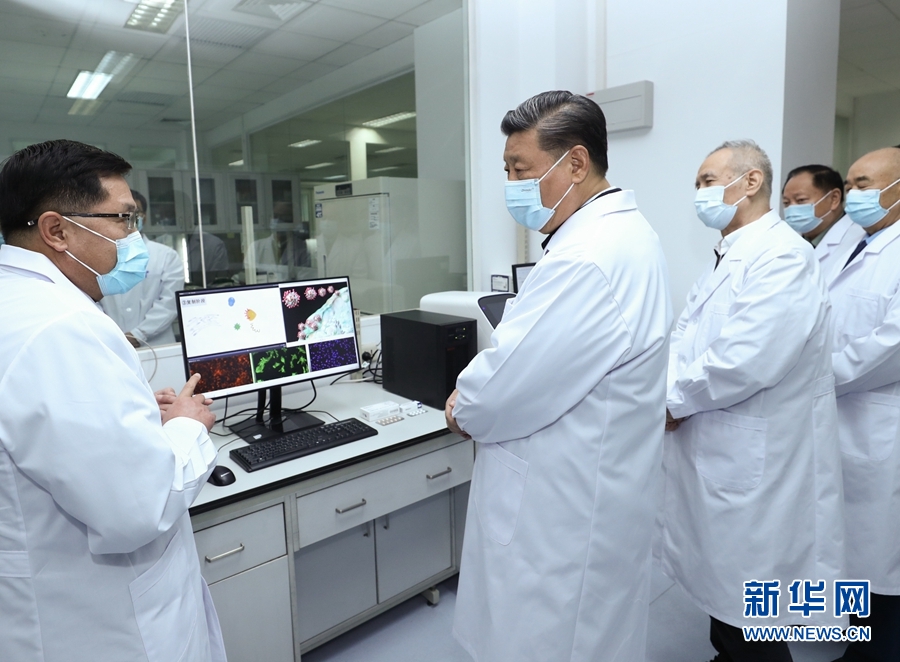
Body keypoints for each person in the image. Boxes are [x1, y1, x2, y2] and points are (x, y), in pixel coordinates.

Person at [445, 91, 672, 662]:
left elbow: (503, 389)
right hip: (595, 491)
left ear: (575, 163)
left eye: (520, 170)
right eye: (506, 171)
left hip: (560, 514)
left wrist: (461, 405)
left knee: (549, 640)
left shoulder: (586, 257)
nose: (512, 185)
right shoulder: (621, 234)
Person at [0, 139, 225, 662]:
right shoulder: (61, 328)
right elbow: (139, 507)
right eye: (124, 219)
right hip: (102, 627)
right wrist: (188, 425)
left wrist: (134, 413)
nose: (134, 237)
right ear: (57, 230)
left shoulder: (21, 304)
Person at [661, 140, 845, 662]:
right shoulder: (728, 255)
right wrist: (669, 391)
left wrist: (672, 401)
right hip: (716, 445)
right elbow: (684, 336)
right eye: (697, 183)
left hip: (753, 459)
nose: (699, 193)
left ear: (750, 182)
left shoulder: (782, 256)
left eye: (708, 180)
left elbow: (745, 359)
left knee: (751, 602)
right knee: (723, 587)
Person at [828, 146, 900, 662]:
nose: (852, 195)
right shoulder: (852, 244)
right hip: (838, 422)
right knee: (851, 558)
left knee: (881, 562)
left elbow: (889, 346)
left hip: (880, 429)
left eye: (864, 184)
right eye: (850, 184)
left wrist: (810, 378)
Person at [99, 189, 184, 346]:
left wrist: (138, 335)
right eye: (123, 213)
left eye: (135, 213)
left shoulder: (166, 256)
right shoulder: (98, 256)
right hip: (112, 344)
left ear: (144, 217)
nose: (129, 218)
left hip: (158, 346)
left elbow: (169, 304)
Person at [782, 164, 865, 278]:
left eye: (801, 200)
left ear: (834, 198)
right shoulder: (787, 242)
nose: (792, 208)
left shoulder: (859, 239)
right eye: (786, 203)